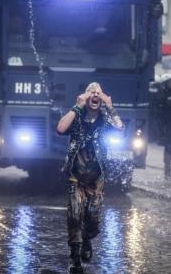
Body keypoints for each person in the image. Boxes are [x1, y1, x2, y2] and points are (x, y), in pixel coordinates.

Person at [57, 82, 124, 274]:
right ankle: (75, 258)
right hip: (75, 177)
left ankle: (87, 239)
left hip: (96, 179)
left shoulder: (105, 119)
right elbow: (60, 128)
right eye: (91, 93)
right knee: (75, 216)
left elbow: (120, 128)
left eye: (99, 93)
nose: (95, 95)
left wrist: (110, 107)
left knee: (93, 221)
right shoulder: (76, 117)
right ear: (85, 97)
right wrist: (77, 106)